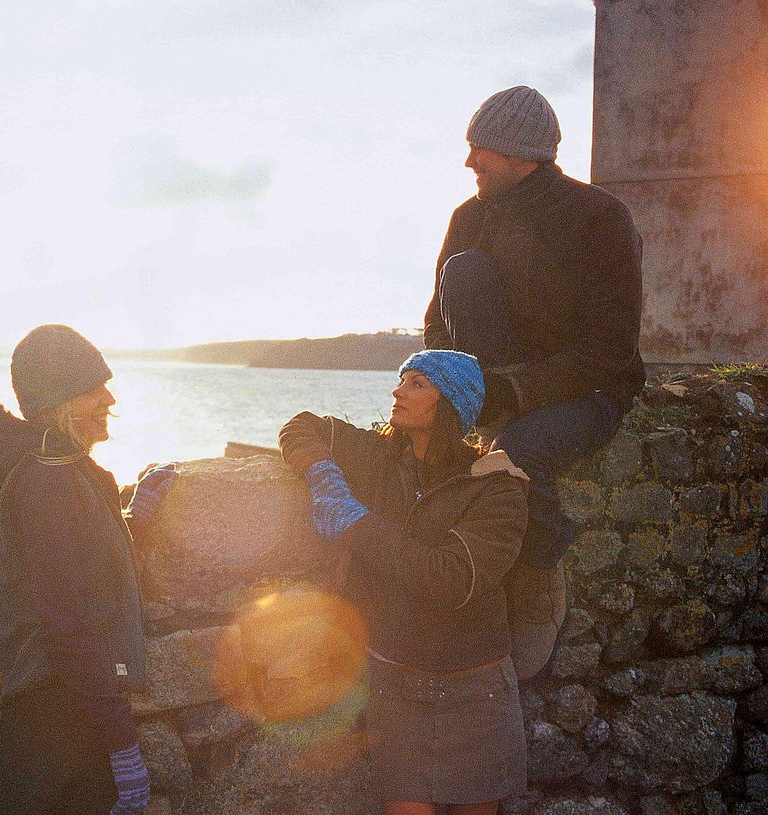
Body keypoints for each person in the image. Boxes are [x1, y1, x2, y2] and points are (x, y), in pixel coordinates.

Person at [423, 85, 645, 679]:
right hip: (498, 387)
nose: (470, 162)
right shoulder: (468, 218)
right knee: (463, 273)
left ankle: (537, 589)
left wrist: (517, 395)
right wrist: (450, 386)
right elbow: (435, 323)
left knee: (513, 455)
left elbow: (609, 349)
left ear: (524, 156)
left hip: (587, 392)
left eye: (482, 150)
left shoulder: (598, 218)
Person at [279, 350, 530, 815]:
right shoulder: (377, 455)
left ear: (452, 403)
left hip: (475, 687)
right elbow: (301, 424)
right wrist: (322, 474)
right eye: (402, 380)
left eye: (417, 383)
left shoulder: (496, 488)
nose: (398, 391)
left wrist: (358, 525)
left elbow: (449, 579)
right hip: (396, 681)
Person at [0, 324, 175, 815]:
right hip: (58, 711)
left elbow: (84, 561)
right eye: (93, 388)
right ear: (60, 402)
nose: (108, 397)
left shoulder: (61, 472)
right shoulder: (47, 483)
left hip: (68, 703)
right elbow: (65, 624)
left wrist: (136, 513)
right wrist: (123, 745)